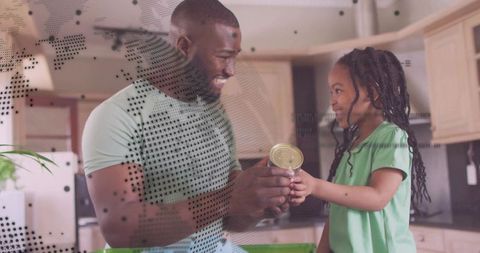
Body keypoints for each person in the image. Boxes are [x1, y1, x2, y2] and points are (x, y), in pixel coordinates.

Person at [82, 0, 298, 252]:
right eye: (222, 56)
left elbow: (230, 218)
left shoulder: (215, 116)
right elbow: (119, 227)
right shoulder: (119, 115)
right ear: (184, 47)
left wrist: (259, 203)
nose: (231, 71)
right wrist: (227, 199)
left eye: (234, 57)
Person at [290, 47, 431, 253]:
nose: (332, 101)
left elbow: (377, 197)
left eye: (338, 90)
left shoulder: (391, 137)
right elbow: (339, 208)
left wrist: (316, 186)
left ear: (372, 93)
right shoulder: (352, 147)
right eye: (331, 92)